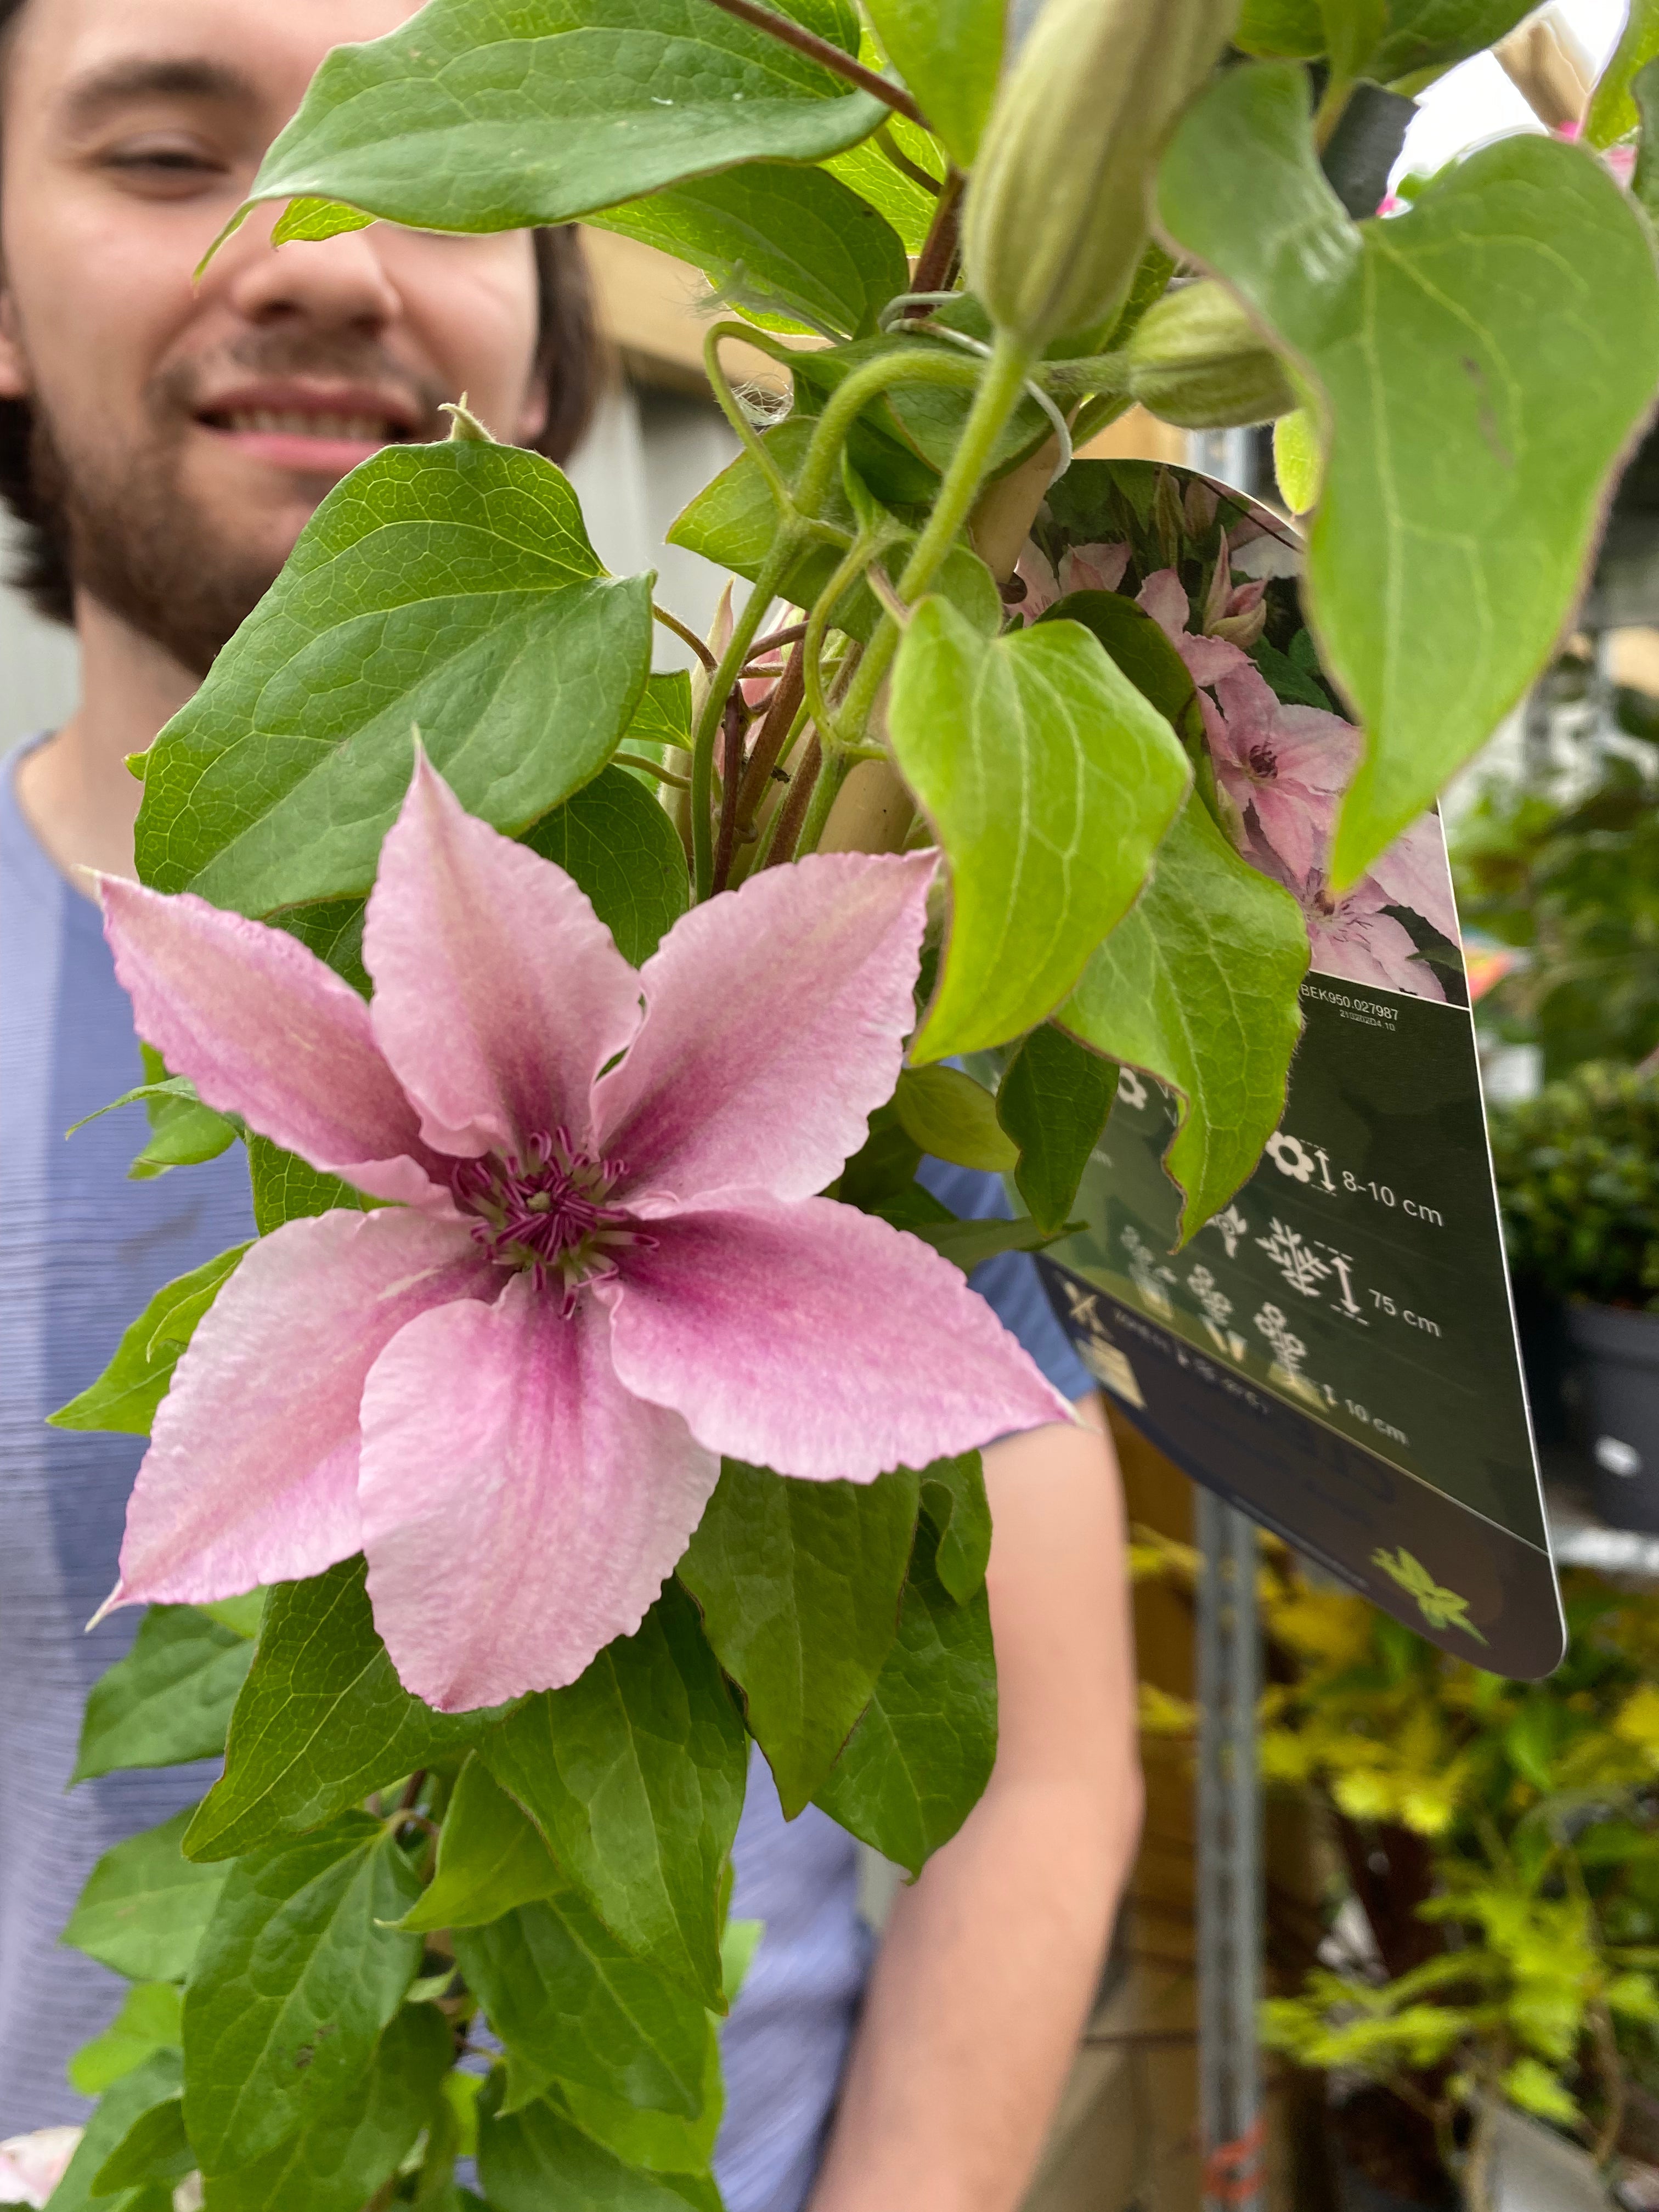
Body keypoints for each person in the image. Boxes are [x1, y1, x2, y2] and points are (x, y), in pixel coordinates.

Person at [0, 3, 1144, 2207]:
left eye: (452, 170)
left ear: (549, 341)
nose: (322, 248)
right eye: (168, 153)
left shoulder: (807, 891)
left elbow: (1038, 1771)